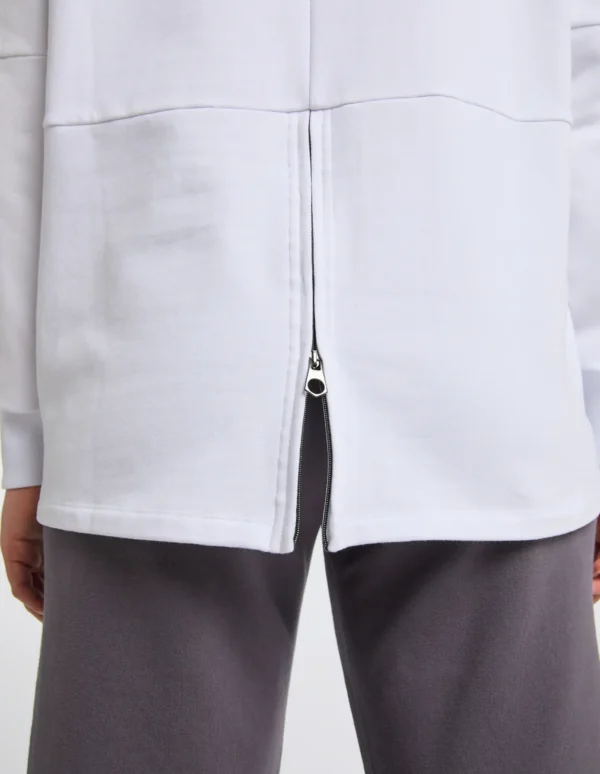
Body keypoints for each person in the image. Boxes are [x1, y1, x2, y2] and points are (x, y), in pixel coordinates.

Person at [2, 2, 600, 772]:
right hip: (482, 329)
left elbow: (23, 69)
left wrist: (30, 437)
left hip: (155, 339)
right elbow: (588, 75)